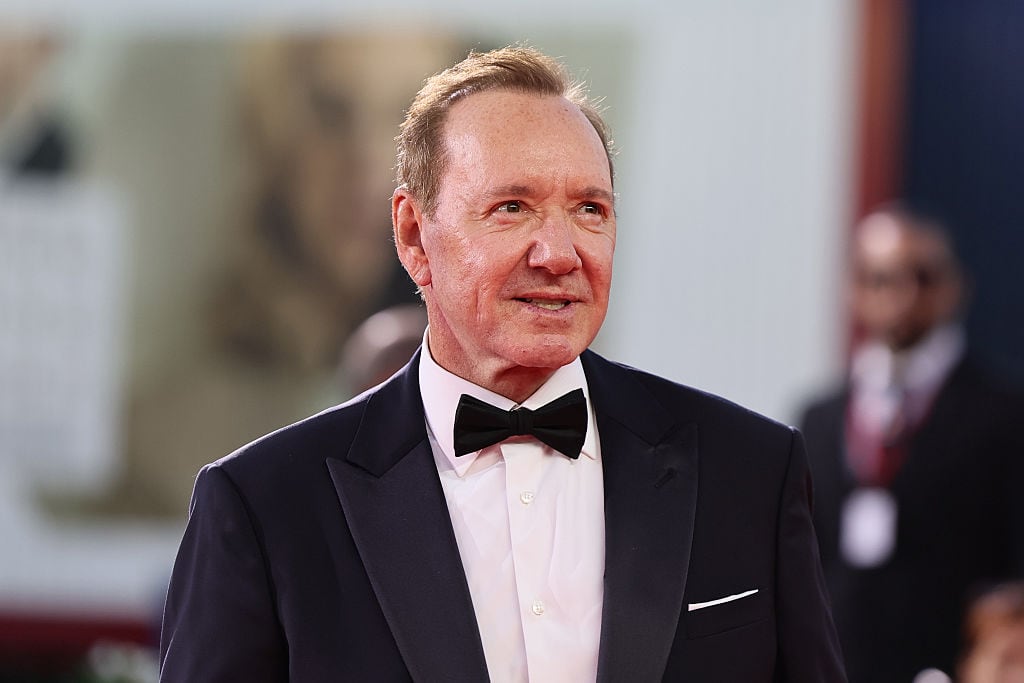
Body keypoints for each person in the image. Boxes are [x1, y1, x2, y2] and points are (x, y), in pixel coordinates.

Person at [160, 45, 845, 682]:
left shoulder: (750, 471)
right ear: (412, 234)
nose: (559, 252)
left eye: (589, 209)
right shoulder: (263, 505)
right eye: (512, 207)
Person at [800, 205, 1024, 682]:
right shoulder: (820, 418)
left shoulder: (1003, 414)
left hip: (952, 662)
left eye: (920, 276)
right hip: (842, 660)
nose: (899, 294)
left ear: (953, 286)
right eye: (878, 277)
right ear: (854, 290)